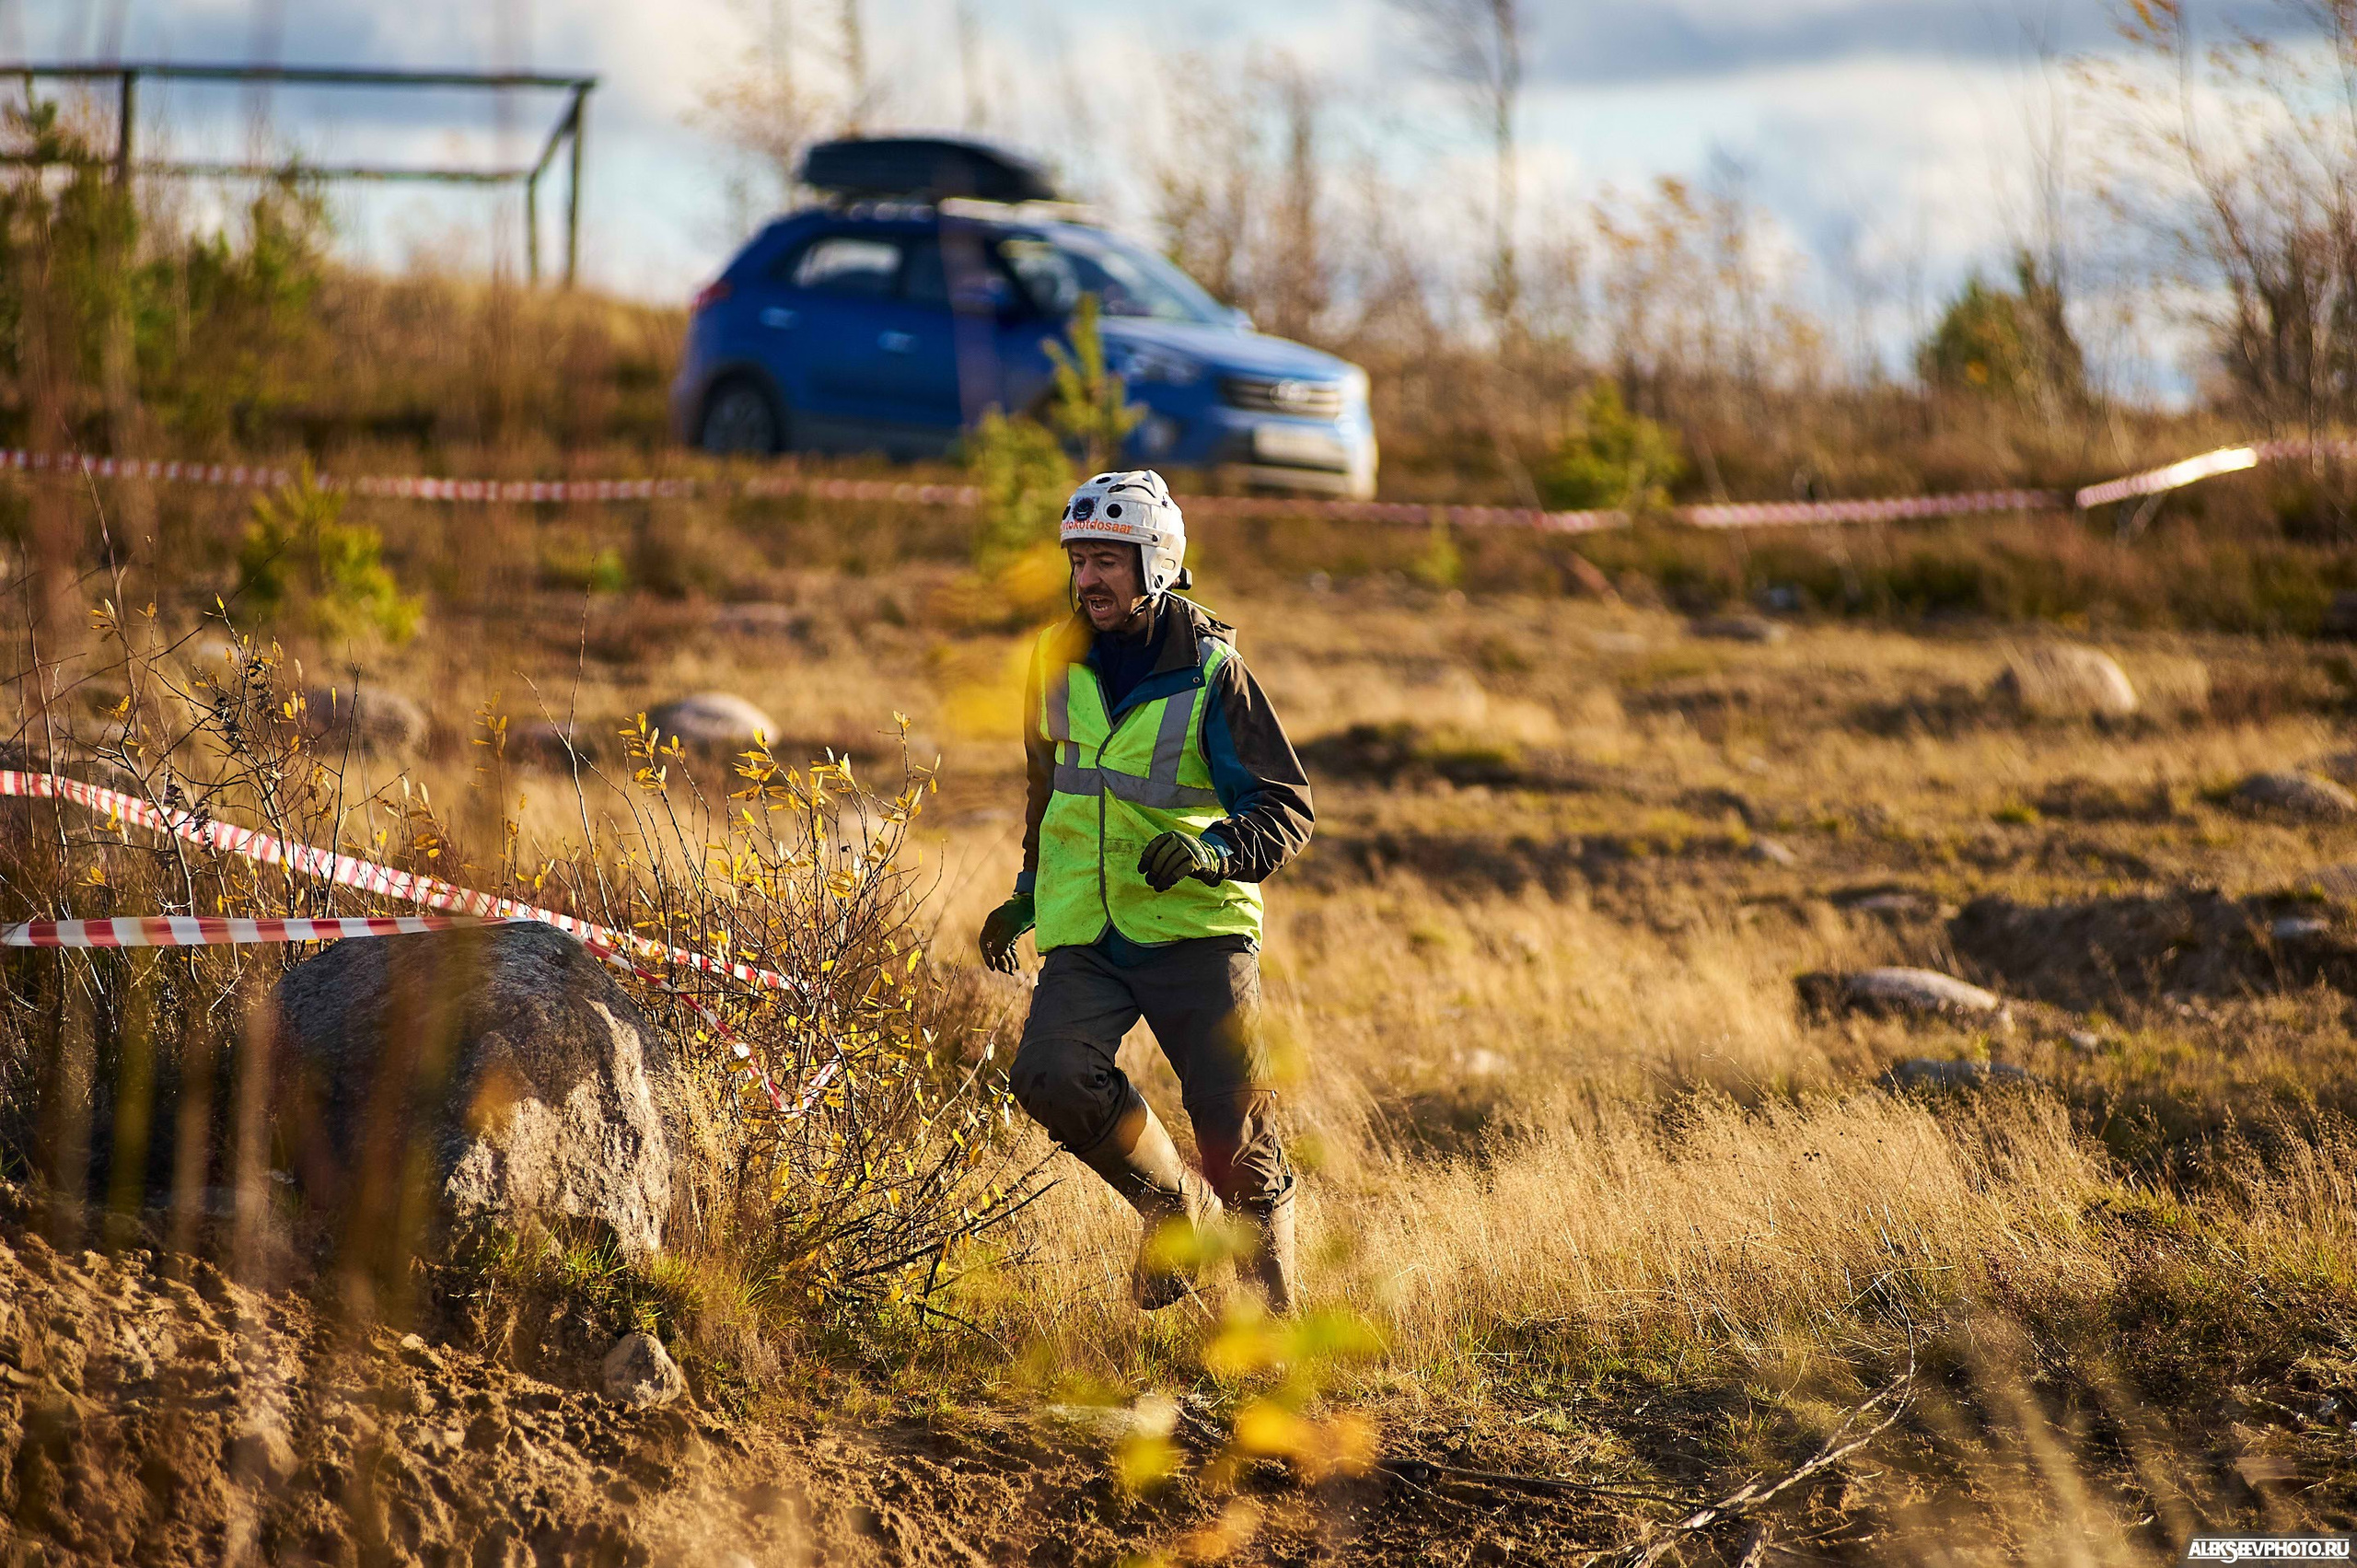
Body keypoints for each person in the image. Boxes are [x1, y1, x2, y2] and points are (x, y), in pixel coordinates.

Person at [979, 470, 1314, 1312]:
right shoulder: (1052, 661)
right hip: (1089, 930)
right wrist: (1028, 887)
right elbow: (1047, 783)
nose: (1088, 578)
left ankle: (1276, 1342)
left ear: (1155, 564)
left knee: (1236, 1135)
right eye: (1078, 560)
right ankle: (1171, 1208)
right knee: (1052, 1074)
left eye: (1107, 561)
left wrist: (1210, 851)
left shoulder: (1212, 673)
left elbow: (1285, 806)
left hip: (1198, 932)